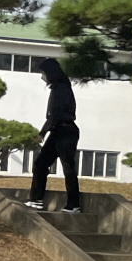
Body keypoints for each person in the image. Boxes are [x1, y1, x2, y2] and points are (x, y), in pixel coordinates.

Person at [25, 58, 82, 213]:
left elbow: (55, 115)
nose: (42, 76)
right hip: (58, 131)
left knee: (68, 168)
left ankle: (74, 204)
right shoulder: (58, 88)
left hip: (66, 131)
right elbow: (53, 117)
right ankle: (36, 199)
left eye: (43, 73)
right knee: (41, 164)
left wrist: (42, 133)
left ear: (50, 73)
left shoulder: (61, 89)